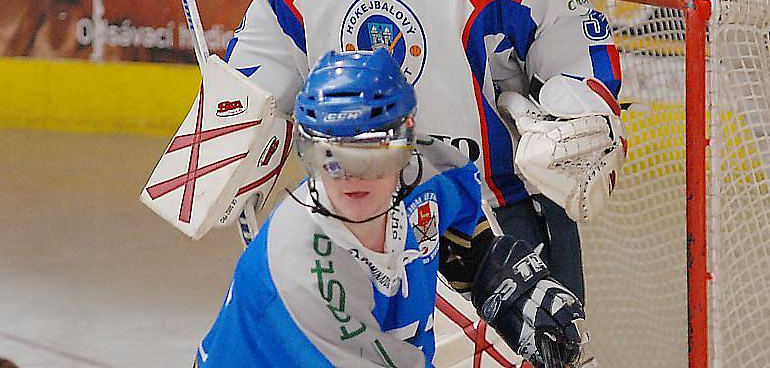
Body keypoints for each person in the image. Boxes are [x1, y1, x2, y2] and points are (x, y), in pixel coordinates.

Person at [224, 0, 625, 365]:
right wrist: (232, 131)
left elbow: (578, 46)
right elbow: (262, 62)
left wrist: (575, 115)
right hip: (358, 211)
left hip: (485, 221)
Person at [195, 49, 585, 367]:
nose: (351, 179)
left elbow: (463, 233)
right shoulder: (307, 271)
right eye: (330, 157)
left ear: (405, 146)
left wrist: (490, 268)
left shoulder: (431, 173)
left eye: (371, 156)